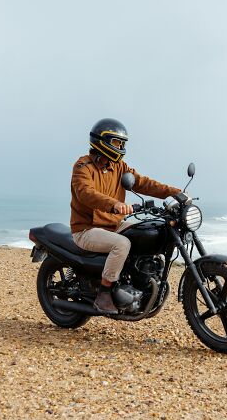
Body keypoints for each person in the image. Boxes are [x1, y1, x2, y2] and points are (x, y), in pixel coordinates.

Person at [70, 118, 181, 314]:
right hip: (86, 229)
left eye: (122, 143)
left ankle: (139, 281)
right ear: (101, 141)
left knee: (147, 232)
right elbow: (85, 193)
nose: (120, 147)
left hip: (114, 225)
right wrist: (115, 204)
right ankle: (104, 294)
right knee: (122, 244)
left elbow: (143, 183)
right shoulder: (83, 167)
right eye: (116, 143)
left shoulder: (119, 166)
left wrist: (174, 193)